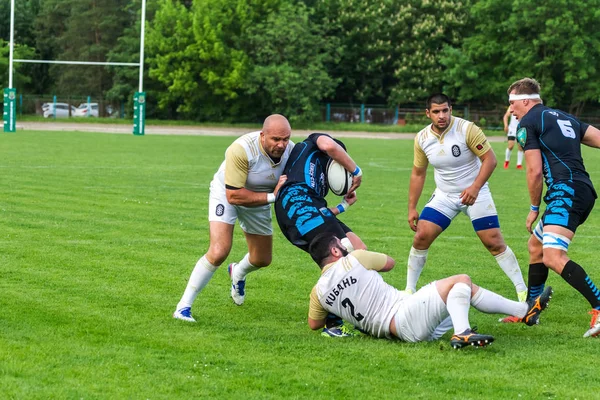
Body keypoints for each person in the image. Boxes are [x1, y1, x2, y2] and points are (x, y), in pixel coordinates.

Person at [306, 232, 553, 348]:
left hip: (396, 327)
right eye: (341, 246)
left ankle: (525, 312)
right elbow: (389, 263)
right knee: (461, 279)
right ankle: (462, 333)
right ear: (337, 251)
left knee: (461, 291)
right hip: (401, 317)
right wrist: (355, 244)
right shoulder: (354, 258)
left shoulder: (318, 292)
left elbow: (314, 324)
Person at [406, 93, 527, 302]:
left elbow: (490, 160)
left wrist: (475, 188)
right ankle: (408, 292)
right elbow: (418, 173)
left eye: (445, 110)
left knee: (494, 242)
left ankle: (523, 292)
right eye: (436, 111)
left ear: (451, 109)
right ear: (428, 114)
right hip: (444, 196)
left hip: (476, 192)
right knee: (421, 236)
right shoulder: (422, 138)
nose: (441, 115)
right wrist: (412, 207)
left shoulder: (467, 129)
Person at [173, 114, 294, 322]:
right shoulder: (242, 149)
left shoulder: (292, 150)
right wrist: (274, 196)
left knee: (262, 259)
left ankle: (237, 272)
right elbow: (234, 196)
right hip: (228, 193)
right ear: (262, 135)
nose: (282, 145)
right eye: (275, 139)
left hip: (261, 198)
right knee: (219, 250)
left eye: (286, 139)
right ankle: (183, 307)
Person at [506, 77, 600, 337]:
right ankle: (531, 309)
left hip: (565, 192)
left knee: (553, 256)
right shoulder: (564, 116)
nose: (511, 110)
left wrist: (534, 207)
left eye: (512, 104)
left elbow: (534, 171)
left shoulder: (528, 122)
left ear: (525, 101)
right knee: (535, 246)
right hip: (581, 189)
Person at [275, 132, 365, 255]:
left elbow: (319, 214)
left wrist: (343, 206)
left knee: (360, 249)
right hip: (293, 199)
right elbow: (329, 146)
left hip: (300, 210)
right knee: (345, 250)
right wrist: (356, 171)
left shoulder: (322, 185)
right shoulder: (313, 142)